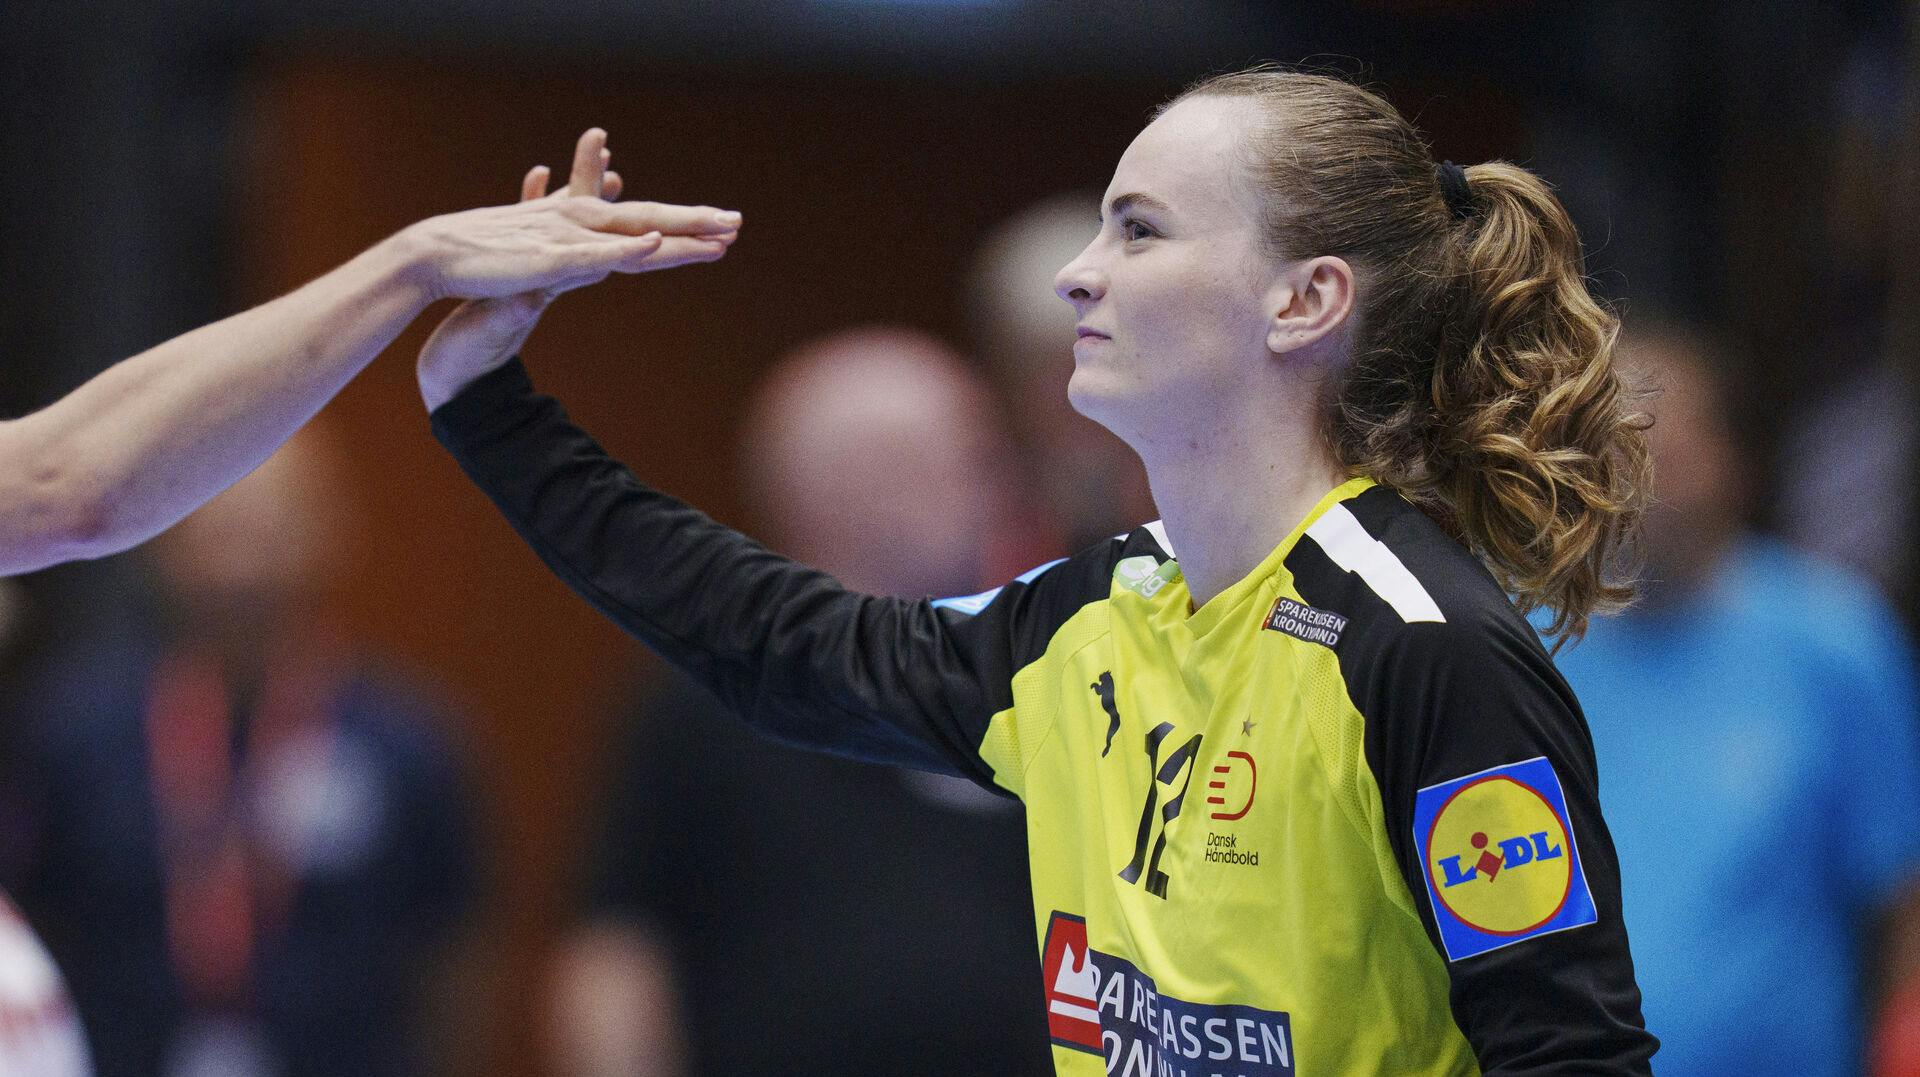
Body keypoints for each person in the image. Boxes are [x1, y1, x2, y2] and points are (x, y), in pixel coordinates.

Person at [423, 68, 1658, 1072]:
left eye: (1139, 228)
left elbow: (1573, 1058)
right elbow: (773, 642)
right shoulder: (1091, 616)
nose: (1079, 271)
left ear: (1305, 301)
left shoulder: (1422, 644)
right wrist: (486, 399)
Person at [0, 129, 740, 1077]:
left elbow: (68, 478)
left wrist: (417, 269)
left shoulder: (406, 729)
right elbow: (65, 482)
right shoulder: (80, 719)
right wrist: (412, 267)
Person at [550, 328, 1052, 1077]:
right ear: (852, 486)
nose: (999, 487)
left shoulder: (1039, 671)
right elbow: (617, 953)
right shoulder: (709, 694)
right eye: (966, 460)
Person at [6, 428, 481, 1077]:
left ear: (333, 529)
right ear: (161, 531)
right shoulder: (75, 725)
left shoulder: (406, 735)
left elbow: (457, 949)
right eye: (219, 512)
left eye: (269, 517)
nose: (244, 547)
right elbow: (24, 923)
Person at [1549, 325, 1920, 1077]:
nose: (1639, 478)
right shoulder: (1530, 646)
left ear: (1731, 460)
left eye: (1665, 449)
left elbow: (1901, 897)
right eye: (1612, 450)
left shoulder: (1836, 641)